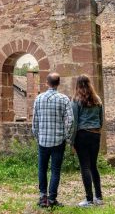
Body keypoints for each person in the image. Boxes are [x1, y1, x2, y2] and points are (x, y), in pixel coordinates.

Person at [32, 72, 73, 208]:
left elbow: (35, 122)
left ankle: (43, 198)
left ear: (47, 83)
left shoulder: (38, 99)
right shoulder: (64, 99)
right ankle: (52, 199)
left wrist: (38, 136)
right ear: (58, 84)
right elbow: (70, 121)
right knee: (55, 170)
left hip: (43, 141)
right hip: (58, 141)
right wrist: (66, 136)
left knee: (42, 169)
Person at [70, 74, 104, 207]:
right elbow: (101, 120)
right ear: (90, 84)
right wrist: (97, 131)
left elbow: (74, 122)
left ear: (77, 85)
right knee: (93, 166)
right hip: (95, 134)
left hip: (82, 135)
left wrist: (72, 141)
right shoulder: (97, 99)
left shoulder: (76, 100)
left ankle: (89, 199)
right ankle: (99, 197)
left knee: (85, 166)